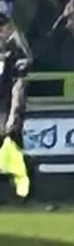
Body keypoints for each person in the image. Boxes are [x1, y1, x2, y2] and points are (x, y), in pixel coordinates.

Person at [0, 19, 29, 200]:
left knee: (13, 149)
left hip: (7, 108)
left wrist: (13, 114)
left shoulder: (15, 53)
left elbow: (18, 85)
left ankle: (21, 192)